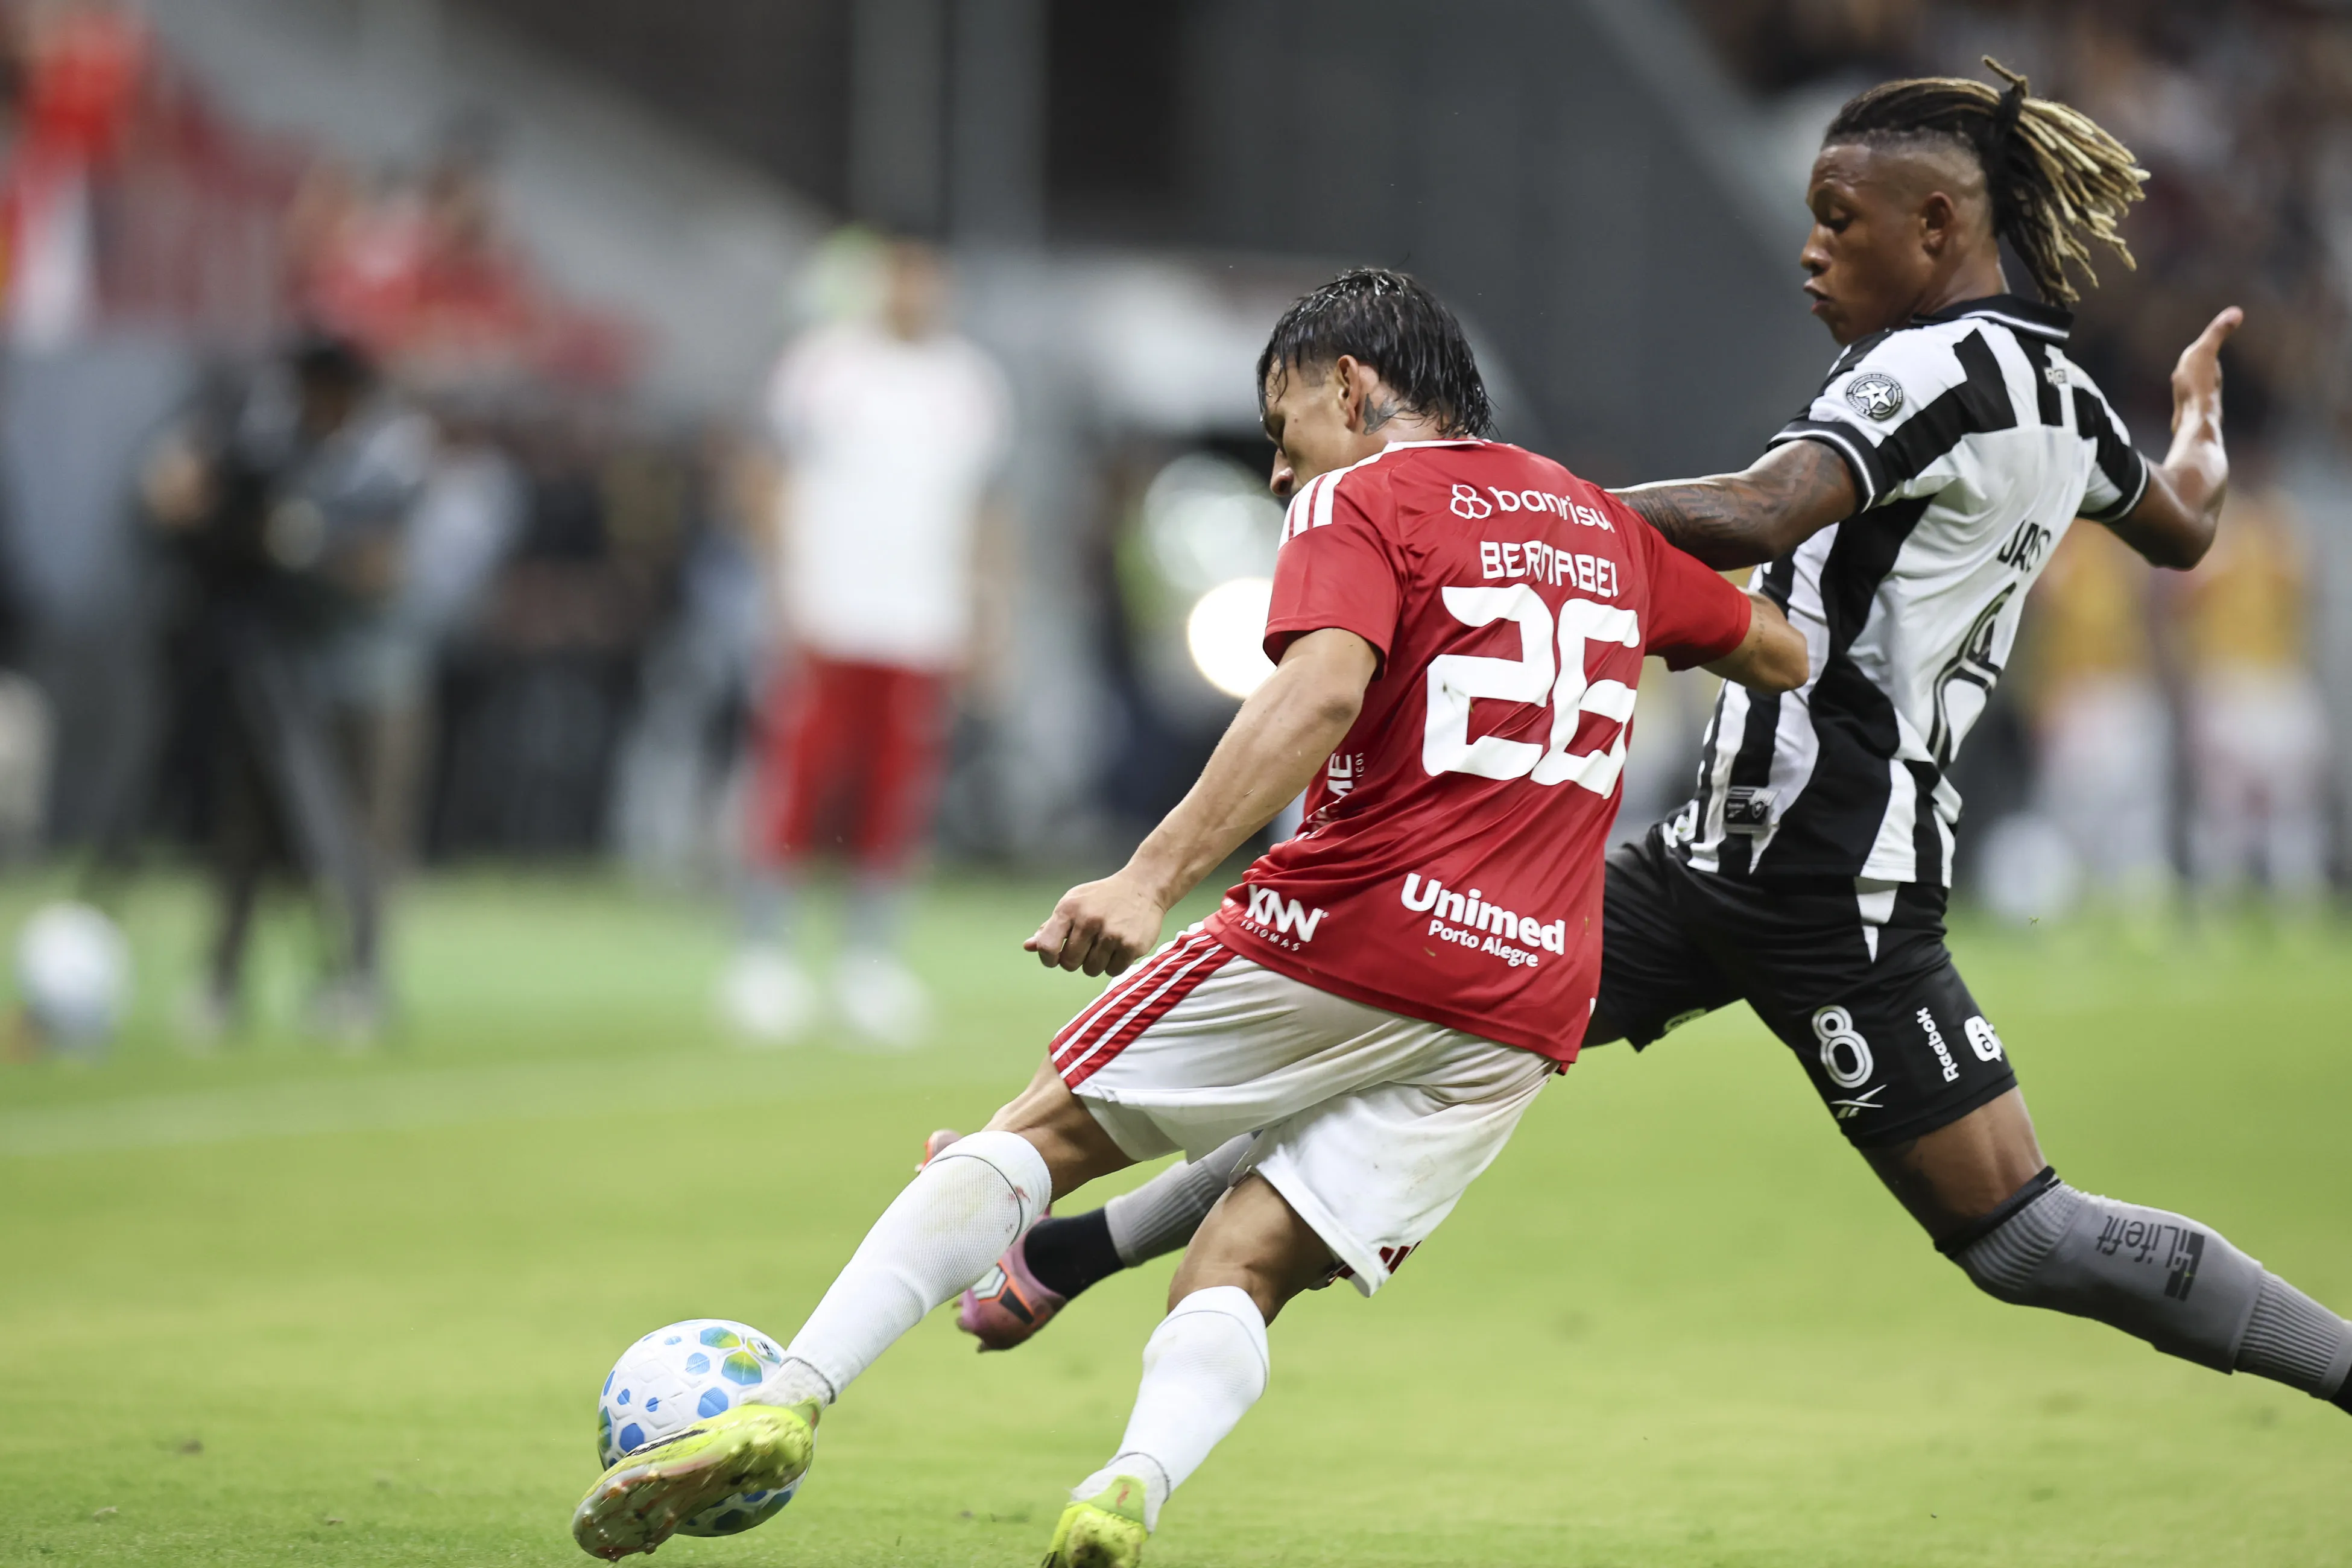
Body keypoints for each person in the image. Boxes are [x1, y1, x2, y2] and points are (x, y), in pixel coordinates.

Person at [954, 62, 2352, 1424]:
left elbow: (1763, 510)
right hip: (1713, 857)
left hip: (1830, 876)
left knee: (2019, 1234)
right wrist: (2199, 438)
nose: (1811, 249)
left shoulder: (1933, 368)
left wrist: (1508, 514)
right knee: (1395, 1031)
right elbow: (2180, 521)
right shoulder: (2065, 396)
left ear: (1938, 227)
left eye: (1841, 219)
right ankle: (1068, 1247)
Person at [569, 268, 1807, 1563]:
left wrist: (1148, 878)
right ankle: (1127, 1491)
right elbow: (1779, 651)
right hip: (1531, 992)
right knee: (1245, 1264)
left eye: (1282, 430)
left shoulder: (1360, 495)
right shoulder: (1598, 523)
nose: (1278, 471)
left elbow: (1318, 692)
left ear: (1352, 388)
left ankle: (784, 1402)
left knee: (1035, 1132)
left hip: (1363, 922)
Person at [721, 236, 1012, 1048]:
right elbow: (763, 473)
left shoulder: (970, 385)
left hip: (922, 620)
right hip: (828, 610)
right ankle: (765, 954)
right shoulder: (823, 366)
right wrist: (780, 585)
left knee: (894, 793)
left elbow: (988, 506)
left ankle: (868, 961)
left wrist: (989, 611)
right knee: (797, 781)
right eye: (902, 274)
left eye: (929, 276)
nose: (916, 290)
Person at [142, 333, 428, 1045]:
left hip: (369, 676)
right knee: (247, 831)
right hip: (283, 668)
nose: (308, 406)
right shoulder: (278, 443)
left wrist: (304, 545)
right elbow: (183, 491)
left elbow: (383, 570)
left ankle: (357, 980)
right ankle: (220, 981)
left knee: (360, 838)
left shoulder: (391, 455)